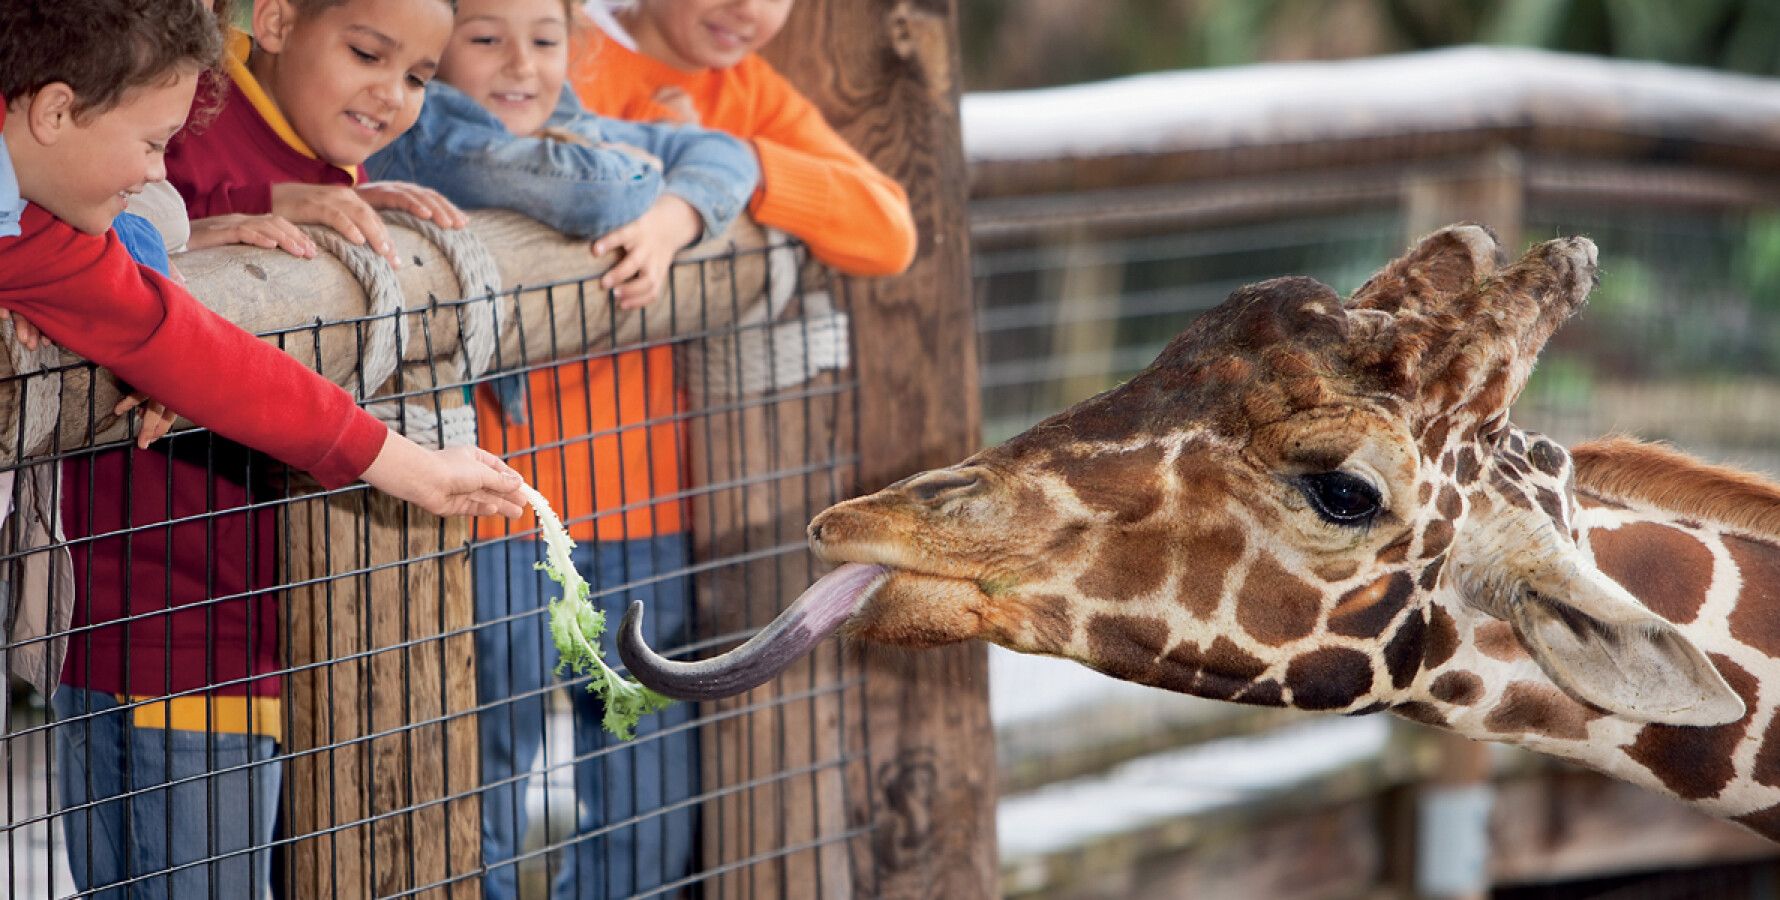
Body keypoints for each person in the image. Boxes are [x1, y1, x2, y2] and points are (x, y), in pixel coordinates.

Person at [0, 2, 524, 897]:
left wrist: (408, 465)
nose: (161, 175)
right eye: (154, 143)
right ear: (51, 113)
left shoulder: (53, 242)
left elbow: (190, 349)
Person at [368, 1, 758, 896]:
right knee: (482, 771)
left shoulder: (576, 126)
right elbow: (597, 191)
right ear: (435, 51)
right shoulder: (424, 136)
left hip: (631, 503)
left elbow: (730, 155)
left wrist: (671, 221)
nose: (521, 64)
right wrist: (646, 177)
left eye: (545, 41)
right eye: (485, 38)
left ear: (574, 43)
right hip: (495, 515)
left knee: (642, 775)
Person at [575, 0, 917, 278]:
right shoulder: (551, 47)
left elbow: (890, 235)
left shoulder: (752, 92)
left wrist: (729, 160)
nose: (749, 8)